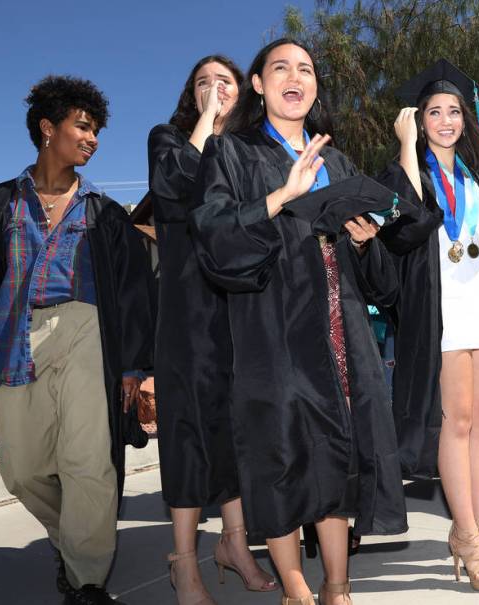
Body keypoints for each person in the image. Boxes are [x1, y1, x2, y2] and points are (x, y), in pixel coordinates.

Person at [190, 39, 408, 605]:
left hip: (342, 325)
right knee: (280, 453)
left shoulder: (336, 160)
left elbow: (382, 275)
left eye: (306, 69)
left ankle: (337, 586)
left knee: (341, 452)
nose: (295, 77)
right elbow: (214, 237)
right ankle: (295, 588)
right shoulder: (230, 153)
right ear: (258, 85)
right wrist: (279, 197)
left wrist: (365, 242)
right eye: (280, 68)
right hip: (273, 328)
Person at [0, 76, 156, 604]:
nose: (93, 139)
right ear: (48, 129)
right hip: (10, 336)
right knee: (21, 470)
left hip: (87, 331)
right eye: (83, 126)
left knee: (88, 460)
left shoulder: (106, 215)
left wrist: (134, 363)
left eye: (97, 131)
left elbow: (136, 293)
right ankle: (72, 540)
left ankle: (86, 580)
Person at [376, 59, 479, 591]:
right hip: (438, 305)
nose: (446, 120)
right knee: (457, 420)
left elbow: (474, 245)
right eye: (434, 113)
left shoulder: (472, 177)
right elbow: (407, 226)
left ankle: (478, 526)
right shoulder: (413, 169)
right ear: (418, 120)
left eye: (454, 112)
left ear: (465, 121)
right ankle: (465, 532)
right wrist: (403, 145)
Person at [148, 55, 278, 603]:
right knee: (186, 431)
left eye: (224, 82)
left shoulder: (247, 151)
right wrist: (206, 119)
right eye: (203, 83)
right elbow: (175, 187)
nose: (215, 89)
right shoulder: (169, 140)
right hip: (186, 310)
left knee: (237, 429)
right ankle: (184, 563)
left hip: (241, 306)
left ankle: (235, 544)